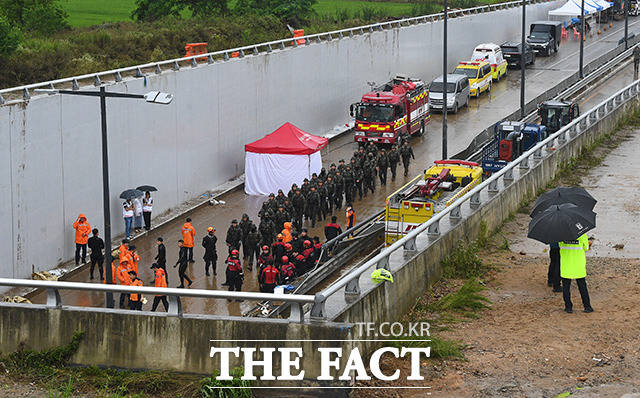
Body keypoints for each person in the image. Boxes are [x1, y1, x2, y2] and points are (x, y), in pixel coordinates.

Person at [559, 234, 594, 313]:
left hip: (566, 265)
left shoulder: (561, 235)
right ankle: (587, 306)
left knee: (566, 287)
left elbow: (560, 245)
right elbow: (586, 248)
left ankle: (568, 307)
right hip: (578, 265)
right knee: (582, 287)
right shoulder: (582, 234)